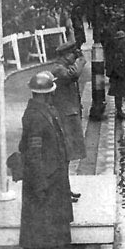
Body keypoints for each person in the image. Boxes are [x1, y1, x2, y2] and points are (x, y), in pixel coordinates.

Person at [19, 71, 73, 249]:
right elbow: (33, 153)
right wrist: (40, 183)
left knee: (46, 226)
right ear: (46, 93)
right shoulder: (35, 116)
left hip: (51, 177)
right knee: (37, 229)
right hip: (42, 180)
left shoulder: (44, 111)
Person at [51, 40, 86, 202]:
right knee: (63, 158)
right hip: (63, 118)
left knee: (67, 158)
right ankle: (62, 191)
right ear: (66, 55)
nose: (75, 57)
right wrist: (81, 60)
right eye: (73, 54)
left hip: (68, 116)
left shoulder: (63, 67)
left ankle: (65, 189)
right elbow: (73, 75)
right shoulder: (58, 69)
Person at [106, 30, 125, 119]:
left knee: (120, 94)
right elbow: (116, 62)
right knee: (119, 94)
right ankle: (119, 111)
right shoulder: (118, 50)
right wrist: (121, 73)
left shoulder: (119, 48)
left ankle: (119, 110)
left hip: (120, 74)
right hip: (118, 75)